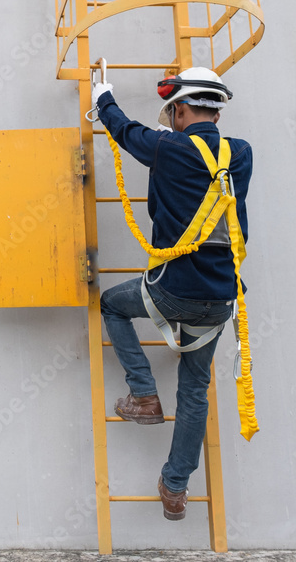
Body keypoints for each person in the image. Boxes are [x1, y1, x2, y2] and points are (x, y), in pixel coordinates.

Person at [91, 67, 252, 521]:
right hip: (221, 299)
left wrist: (104, 97)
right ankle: (175, 487)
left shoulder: (165, 148)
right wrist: (173, 133)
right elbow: (196, 154)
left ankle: (142, 392)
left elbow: (125, 130)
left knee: (110, 304)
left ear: (178, 109)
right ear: (216, 112)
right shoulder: (241, 154)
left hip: (173, 292)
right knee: (195, 390)